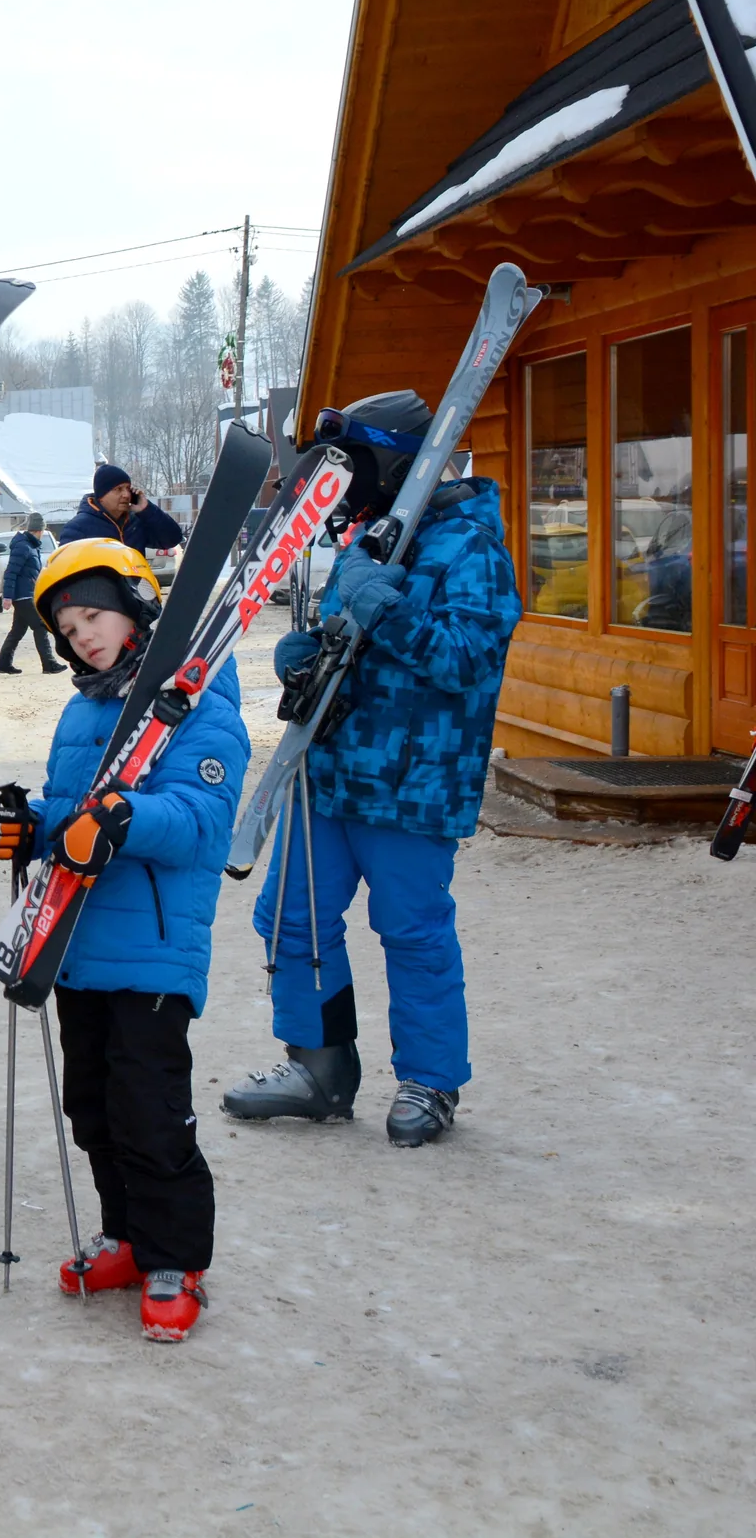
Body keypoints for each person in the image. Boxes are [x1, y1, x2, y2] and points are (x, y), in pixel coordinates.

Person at [222, 390, 520, 1147]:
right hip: (328, 767)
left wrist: (391, 614)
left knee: (411, 929)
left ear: (393, 462)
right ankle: (319, 1067)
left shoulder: (471, 545)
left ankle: (430, 1077)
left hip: (412, 782)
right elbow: (338, 634)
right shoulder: (367, 539)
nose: (345, 486)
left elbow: (467, 659)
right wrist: (306, 658)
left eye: (354, 467)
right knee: (291, 916)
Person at [0, 538, 247, 1344]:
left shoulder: (200, 710)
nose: (82, 635)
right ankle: (127, 1234)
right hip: (74, 944)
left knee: (150, 1108)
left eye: (93, 614)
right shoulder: (85, 708)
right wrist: (29, 829)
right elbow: (73, 821)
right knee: (93, 1104)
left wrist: (125, 818)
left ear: (136, 608)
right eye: (67, 625)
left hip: (153, 953)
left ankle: (176, 1257)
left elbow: (201, 824)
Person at [0, 511, 64, 675]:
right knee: (40, 626)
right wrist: (8, 596)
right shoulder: (23, 546)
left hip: (27, 594)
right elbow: (11, 572)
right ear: (39, 531)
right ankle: (49, 663)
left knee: (17, 630)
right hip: (23, 596)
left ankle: (3, 663)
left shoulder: (30, 545)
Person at [59, 465, 186, 553]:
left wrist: (147, 510)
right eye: (118, 489)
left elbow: (172, 539)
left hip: (134, 591)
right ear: (101, 496)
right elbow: (66, 570)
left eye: (127, 488)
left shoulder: (135, 523)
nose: (126, 494)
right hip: (97, 591)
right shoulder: (78, 528)